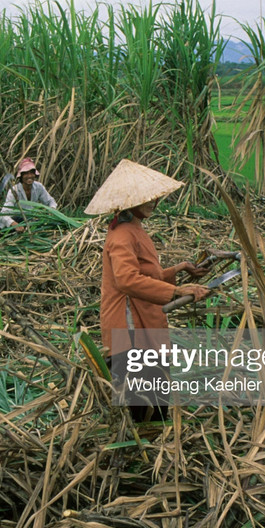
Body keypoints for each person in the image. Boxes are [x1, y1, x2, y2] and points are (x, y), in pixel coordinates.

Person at [86, 159, 210, 421]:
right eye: (147, 198)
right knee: (143, 388)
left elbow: (145, 274)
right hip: (129, 321)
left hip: (143, 316)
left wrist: (177, 270)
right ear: (130, 200)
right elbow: (127, 280)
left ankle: (152, 439)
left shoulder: (132, 227)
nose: (154, 201)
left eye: (155, 197)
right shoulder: (122, 235)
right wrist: (177, 291)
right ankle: (145, 443)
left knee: (153, 383)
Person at [0, 157, 58, 229]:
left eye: (31, 173)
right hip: (18, 220)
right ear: (21, 176)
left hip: (31, 221)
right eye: (26, 173)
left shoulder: (38, 187)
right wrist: (15, 225)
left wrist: (52, 210)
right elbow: (4, 214)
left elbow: (50, 201)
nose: (29, 176)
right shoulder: (15, 191)